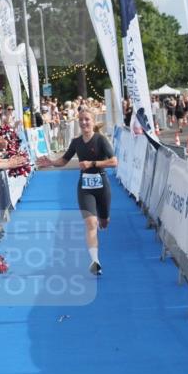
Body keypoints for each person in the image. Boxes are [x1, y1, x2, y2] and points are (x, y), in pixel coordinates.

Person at [36, 109, 117, 275]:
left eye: (87, 119)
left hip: (102, 186)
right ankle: (95, 261)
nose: (84, 122)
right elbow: (64, 160)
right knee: (91, 224)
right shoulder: (76, 142)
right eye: (81, 120)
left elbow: (114, 162)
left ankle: (104, 219)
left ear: (93, 122)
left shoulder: (101, 140)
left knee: (104, 221)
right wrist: (50, 162)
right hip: (85, 188)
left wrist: (92, 164)